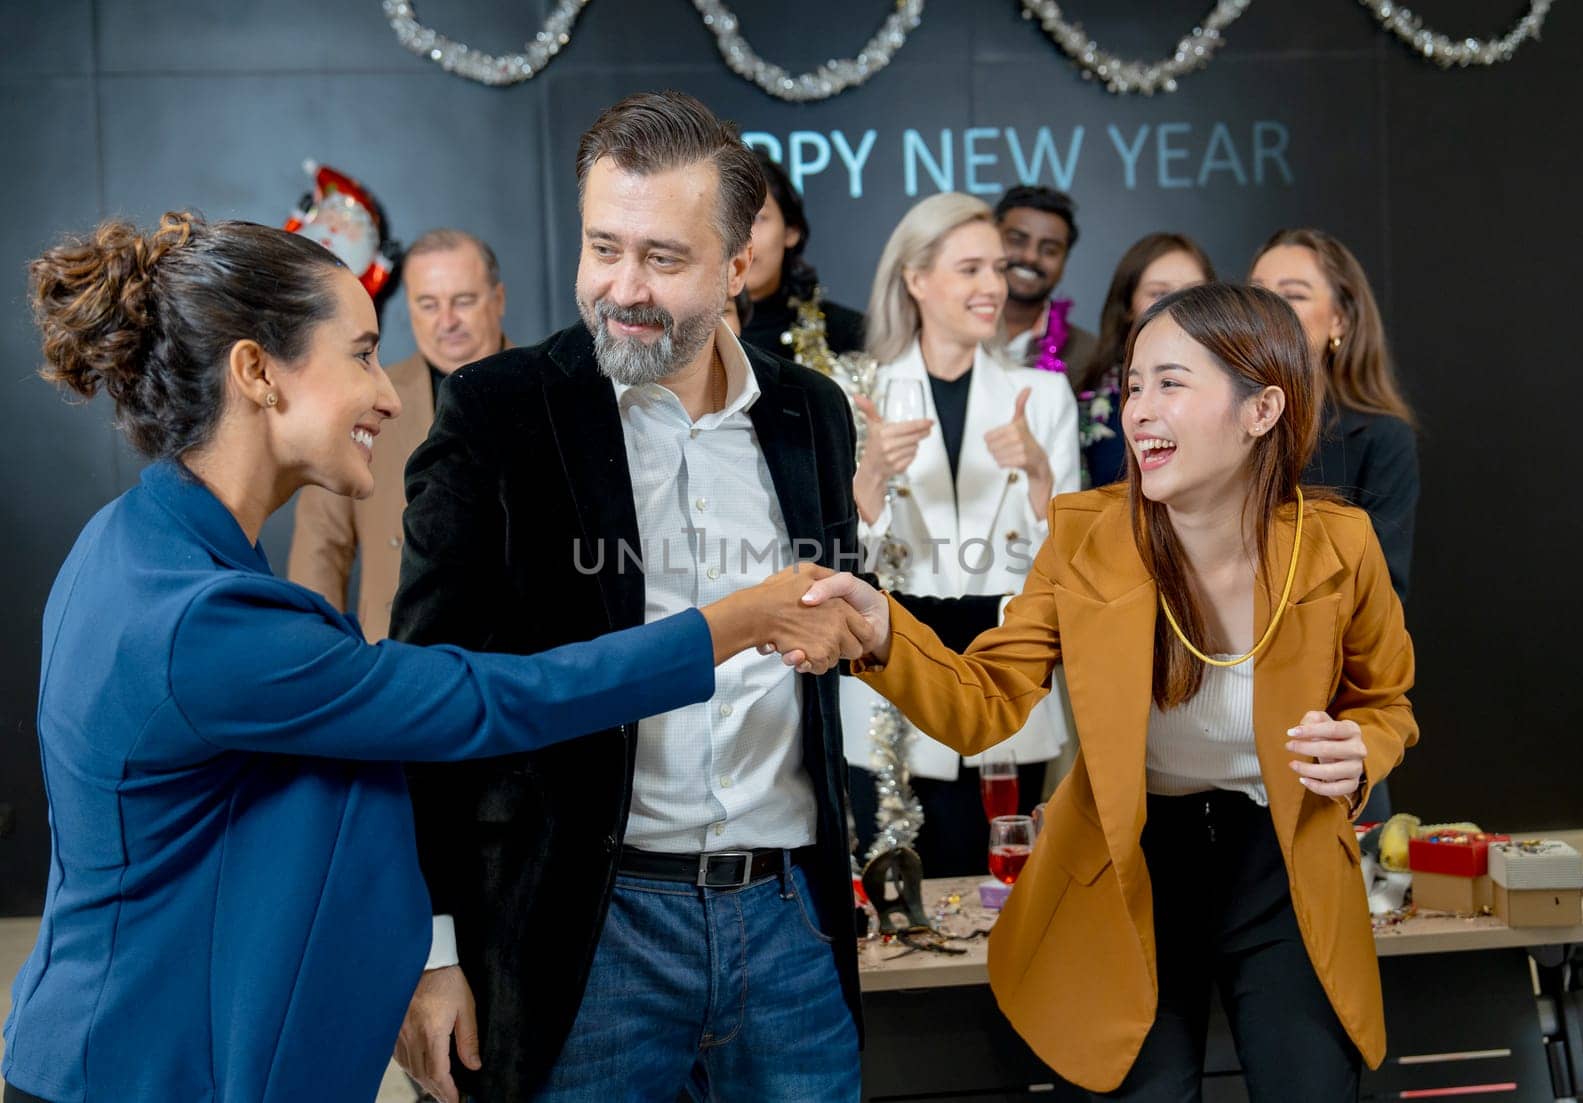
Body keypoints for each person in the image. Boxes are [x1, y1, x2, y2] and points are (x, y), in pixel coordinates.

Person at [0, 213, 866, 1103]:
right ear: (257, 372)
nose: (387, 394)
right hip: (137, 1071)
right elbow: (491, 698)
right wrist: (730, 624)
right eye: (363, 355)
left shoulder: (131, 543)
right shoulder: (205, 623)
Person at [388, 92, 996, 1103]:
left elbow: (836, 621)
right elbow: (427, 691)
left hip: (788, 924)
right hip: (588, 925)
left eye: (662, 258)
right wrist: (434, 946)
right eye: (602, 247)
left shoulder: (809, 414)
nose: (621, 287)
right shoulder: (498, 414)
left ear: (736, 267)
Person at [803, 283, 1418, 1100]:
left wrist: (1362, 752)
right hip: (1131, 866)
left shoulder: (1340, 543)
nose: (1138, 411)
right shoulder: (1086, 535)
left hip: (1284, 867)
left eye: (1170, 383)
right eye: (1132, 386)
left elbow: (1388, 705)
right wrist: (884, 630)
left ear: (1261, 408)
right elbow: (984, 700)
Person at [841, 192, 1080, 877]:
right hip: (891, 706)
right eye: (970, 268)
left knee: (1006, 914)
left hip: (1009, 699)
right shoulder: (859, 391)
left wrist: (1040, 482)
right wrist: (870, 484)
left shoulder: (1042, 395)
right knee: (901, 932)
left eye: (997, 269)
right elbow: (839, 571)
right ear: (915, 278)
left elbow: (1066, 574)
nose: (993, 287)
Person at [287, 228, 509, 641]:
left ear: (498, 300)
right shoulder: (363, 397)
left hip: (523, 662)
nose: (447, 322)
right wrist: (317, 656)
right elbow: (321, 545)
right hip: (395, 654)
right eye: (428, 304)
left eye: (463, 301)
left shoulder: (548, 390)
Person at [1250, 228, 1419, 602]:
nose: (1269, 308)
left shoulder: (1382, 438)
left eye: (1293, 295)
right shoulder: (1216, 417)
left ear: (1340, 321)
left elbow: (1382, 592)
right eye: (1257, 293)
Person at [1078, 233, 1216, 488]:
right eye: (1159, 293)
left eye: (1193, 293)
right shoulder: (1090, 397)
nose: (1176, 307)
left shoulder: (1229, 388)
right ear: (1128, 306)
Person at [738, 152, 866, 368]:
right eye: (728, 218)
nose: (742, 237)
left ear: (791, 231)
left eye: (756, 218)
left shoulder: (848, 332)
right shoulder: (685, 333)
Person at [995, 185, 1096, 378]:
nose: (1031, 257)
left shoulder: (1089, 357)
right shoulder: (948, 332)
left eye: (1049, 250)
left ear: (1065, 260)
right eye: (1017, 240)